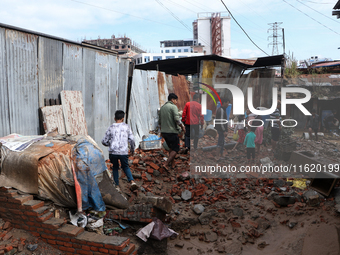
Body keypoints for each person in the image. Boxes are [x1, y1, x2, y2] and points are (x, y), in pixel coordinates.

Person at [102, 110, 138, 191]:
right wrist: (132, 149)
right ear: (123, 118)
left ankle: (117, 186)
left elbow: (104, 141)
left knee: (115, 167)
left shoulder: (111, 127)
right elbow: (132, 140)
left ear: (114, 118)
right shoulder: (127, 127)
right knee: (125, 166)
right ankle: (132, 181)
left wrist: (110, 144)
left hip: (113, 152)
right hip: (123, 152)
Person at [159, 93, 185, 169]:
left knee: (171, 148)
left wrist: (161, 132)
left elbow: (160, 122)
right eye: (176, 100)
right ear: (172, 100)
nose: (176, 102)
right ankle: (166, 164)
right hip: (172, 132)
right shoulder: (173, 107)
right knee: (176, 149)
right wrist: (182, 127)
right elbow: (177, 119)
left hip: (164, 132)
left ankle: (172, 163)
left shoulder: (162, 107)